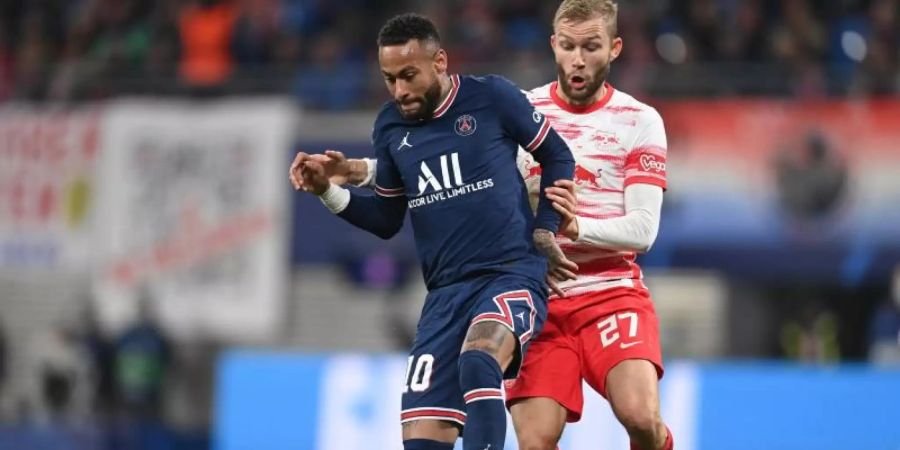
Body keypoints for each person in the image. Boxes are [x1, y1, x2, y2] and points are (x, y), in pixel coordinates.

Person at [296, 2, 675, 449]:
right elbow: (452, 164)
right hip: (529, 295)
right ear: (554, 46)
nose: (577, 58)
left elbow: (645, 230)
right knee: (534, 441)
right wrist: (351, 174)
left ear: (613, 49)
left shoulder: (638, 120)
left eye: (589, 47)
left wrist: (565, 228)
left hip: (601, 290)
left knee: (640, 416)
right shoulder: (523, 104)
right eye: (568, 46)